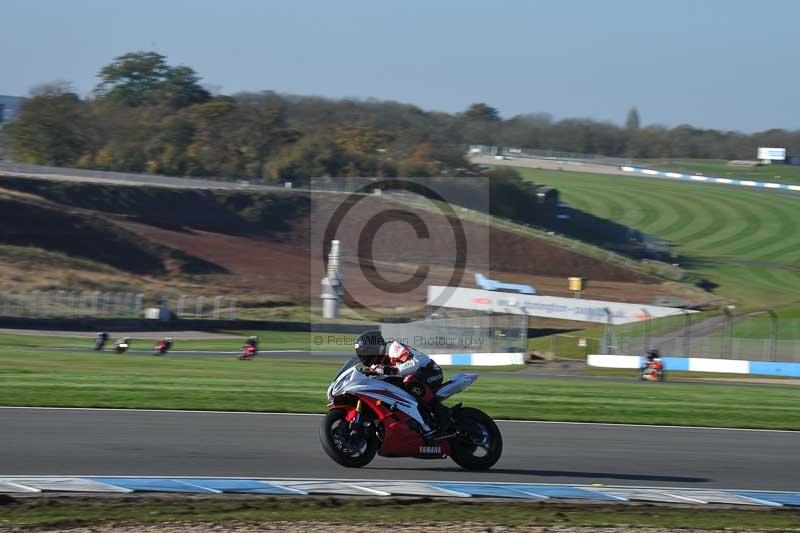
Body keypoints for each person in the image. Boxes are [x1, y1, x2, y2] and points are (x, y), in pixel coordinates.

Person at [354, 330, 450, 440]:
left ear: (374, 347)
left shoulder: (393, 348)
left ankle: (441, 412)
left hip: (430, 371)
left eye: (366, 352)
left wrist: (392, 370)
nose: (364, 356)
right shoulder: (376, 364)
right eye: (361, 353)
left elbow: (414, 362)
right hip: (414, 378)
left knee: (409, 381)